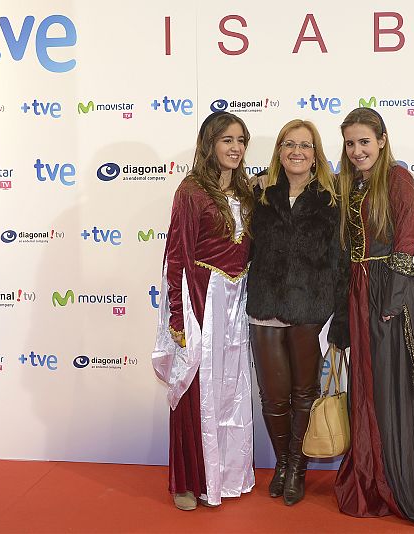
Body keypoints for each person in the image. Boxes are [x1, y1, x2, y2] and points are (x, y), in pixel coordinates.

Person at [333, 108, 414, 529]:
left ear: (382, 140)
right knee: (365, 385)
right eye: (350, 143)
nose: (357, 151)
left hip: (389, 290)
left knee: (389, 386)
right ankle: (368, 476)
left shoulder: (398, 180)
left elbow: (405, 241)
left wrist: (394, 299)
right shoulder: (350, 184)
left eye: (364, 141)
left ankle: (395, 480)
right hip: (358, 292)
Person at [153, 111, 255, 511]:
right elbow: (176, 256)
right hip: (202, 300)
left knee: (230, 390)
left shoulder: (247, 192)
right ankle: (187, 482)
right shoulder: (192, 190)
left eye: (241, 140)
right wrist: (178, 317)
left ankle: (225, 477)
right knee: (194, 385)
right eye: (227, 139)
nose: (236, 147)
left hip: (237, 302)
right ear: (209, 144)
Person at [246, 119, 349, 506]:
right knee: (273, 397)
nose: (297, 151)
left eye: (305, 145)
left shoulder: (331, 198)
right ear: (279, 150)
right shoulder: (260, 194)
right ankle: (283, 463)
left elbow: (341, 260)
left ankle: (296, 469)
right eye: (289, 144)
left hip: (311, 309)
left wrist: (340, 316)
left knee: (304, 394)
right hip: (265, 307)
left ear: (316, 154)